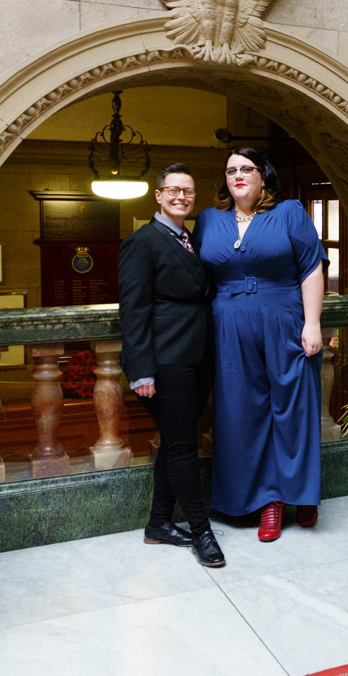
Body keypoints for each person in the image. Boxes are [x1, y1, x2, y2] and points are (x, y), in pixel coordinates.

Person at [193, 147, 327, 541]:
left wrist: (314, 323)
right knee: (239, 413)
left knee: (294, 407)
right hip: (228, 326)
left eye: (246, 169)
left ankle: (301, 495)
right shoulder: (207, 220)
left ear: (263, 176)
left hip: (285, 319)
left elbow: (311, 268)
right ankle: (264, 501)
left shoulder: (289, 214)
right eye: (231, 170)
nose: (238, 175)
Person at [119, 163, 225, 566]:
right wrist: (141, 369)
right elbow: (133, 311)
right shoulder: (141, 242)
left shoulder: (192, 239)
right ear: (159, 196)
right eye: (174, 190)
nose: (182, 197)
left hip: (197, 355)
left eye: (189, 192)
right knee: (183, 446)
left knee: (175, 439)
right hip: (165, 361)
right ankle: (202, 533)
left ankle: (158, 523)